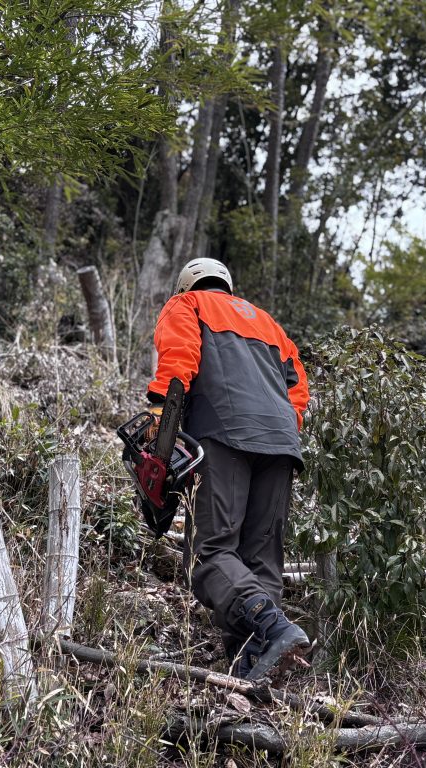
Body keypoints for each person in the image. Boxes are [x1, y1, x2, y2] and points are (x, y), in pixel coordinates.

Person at [145, 257, 311, 680]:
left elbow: (179, 362)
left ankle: (272, 626)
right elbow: (298, 386)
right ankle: (249, 665)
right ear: (228, 284)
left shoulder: (187, 305)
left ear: (187, 285)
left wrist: (159, 425)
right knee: (261, 560)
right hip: (281, 443)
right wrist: (281, 428)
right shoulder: (268, 322)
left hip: (223, 434)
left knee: (211, 551)